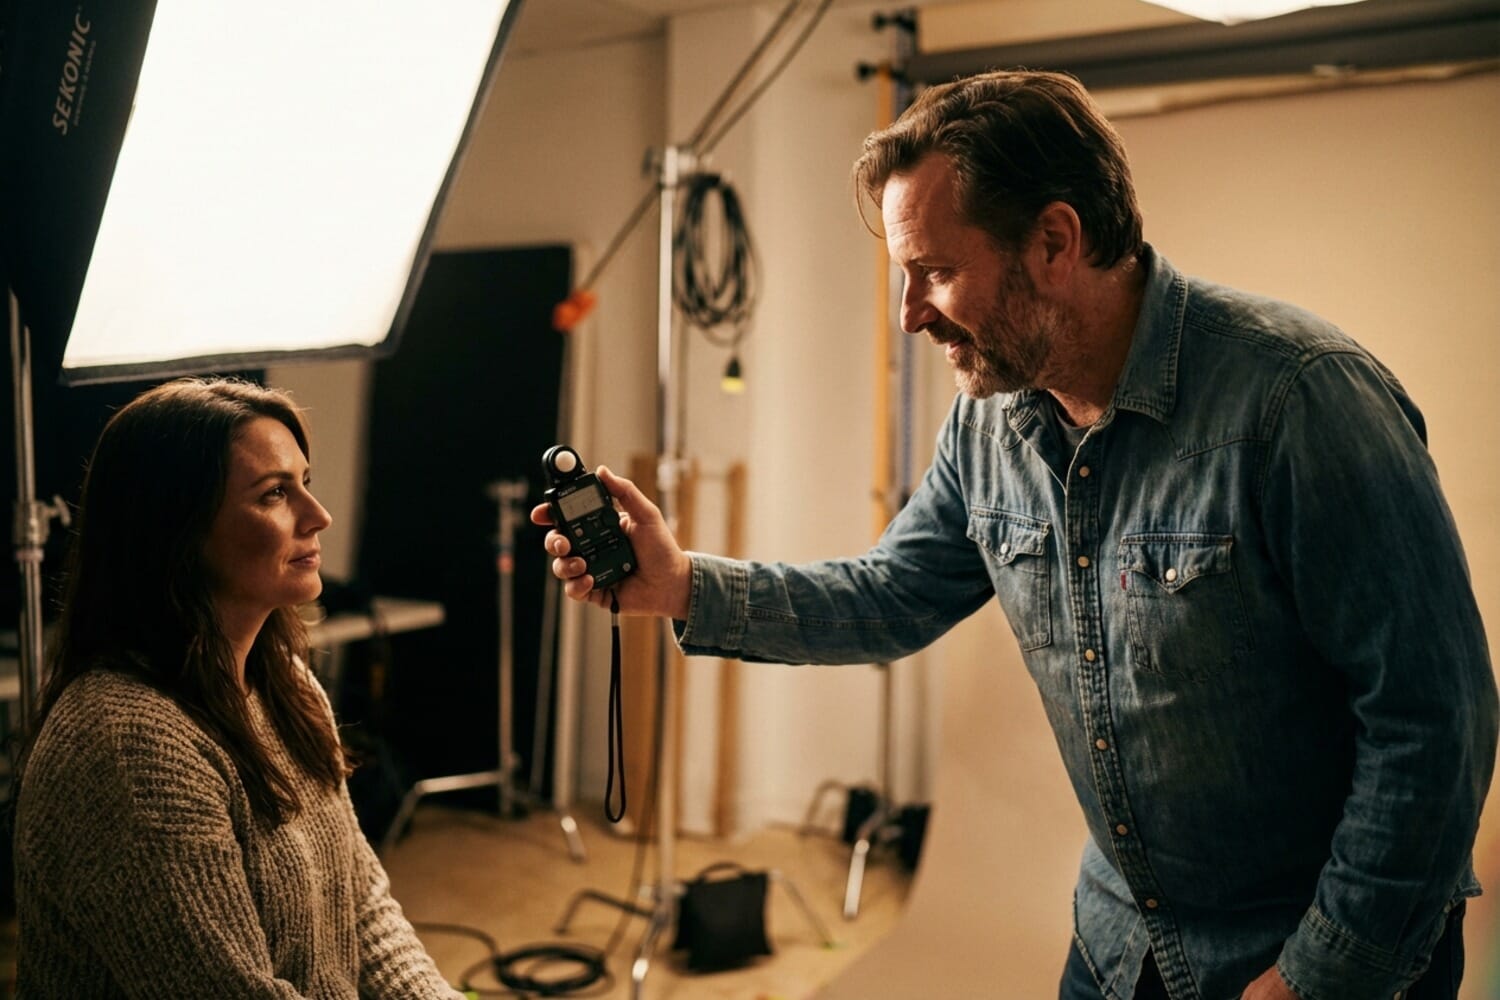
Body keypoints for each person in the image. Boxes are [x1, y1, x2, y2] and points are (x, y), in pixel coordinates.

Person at [533, 71, 1497, 999]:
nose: (910, 315)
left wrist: (1319, 979)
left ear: (1054, 241)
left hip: (1315, 954)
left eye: (937, 272)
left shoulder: (1301, 398)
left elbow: (1433, 723)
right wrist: (681, 584)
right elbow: (888, 596)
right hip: (1124, 949)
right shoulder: (991, 424)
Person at [13, 377, 461, 998]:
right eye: (275, 494)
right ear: (177, 529)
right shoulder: (129, 742)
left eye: (306, 482)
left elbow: (364, 907)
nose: (318, 516)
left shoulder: (288, 684)